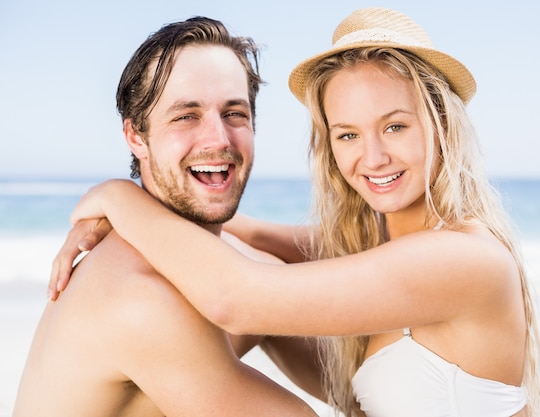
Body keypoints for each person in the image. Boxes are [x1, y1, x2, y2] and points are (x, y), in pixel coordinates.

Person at [49, 7, 540, 417]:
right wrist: (139, 212)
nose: (372, 158)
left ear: (441, 122)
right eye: (347, 134)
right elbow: (251, 237)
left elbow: (237, 297)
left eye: (395, 127)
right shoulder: (382, 248)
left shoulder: (463, 260)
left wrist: (118, 196)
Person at [13, 16, 320, 417]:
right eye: (185, 116)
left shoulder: (236, 264)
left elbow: (354, 384)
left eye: (234, 113)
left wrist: (120, 200)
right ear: (136, 137)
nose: (218, 139)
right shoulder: (137, 296)